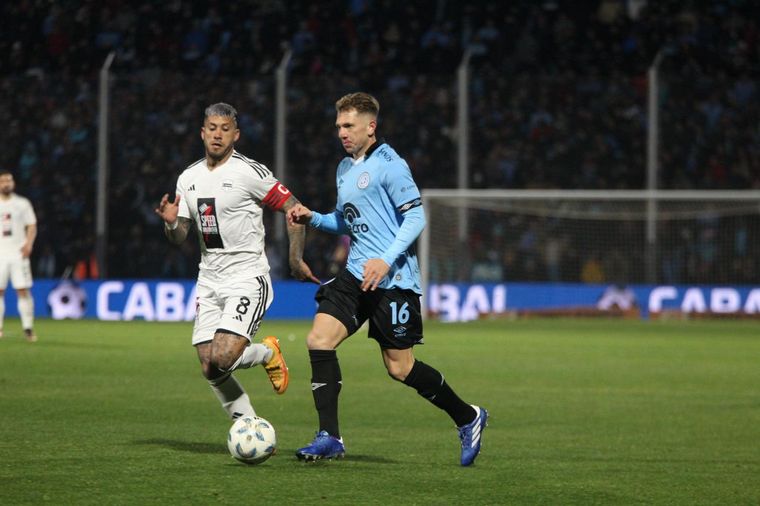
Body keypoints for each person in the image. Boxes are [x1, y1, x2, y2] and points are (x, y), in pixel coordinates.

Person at [287, 92, 488, 466]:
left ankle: (468, 416)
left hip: (393, 279)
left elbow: (416, 218)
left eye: (349, 126)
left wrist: (385, 259)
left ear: (370, 126)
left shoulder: (391, 165)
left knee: (400, 368)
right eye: (338, 127)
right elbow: (346, 221)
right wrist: (312, 217)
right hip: (355, 274)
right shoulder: (344, 168)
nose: (342, 133)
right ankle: (329, 436)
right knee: (319, 340)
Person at [155, 102, 319, 421]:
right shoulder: (188, 178)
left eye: (225, 129)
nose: (218, 135)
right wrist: (172, 223)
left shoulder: (249, 173)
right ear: (202, 133)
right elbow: (179, 238)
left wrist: (295, 258)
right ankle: (248, 426)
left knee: (224, 356)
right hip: (209, 281)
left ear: (236, 135)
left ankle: (267, 352)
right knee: (209, 366)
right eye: (212, 128)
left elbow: (295, 209)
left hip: (246, 279)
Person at [0, 170, 38, 342]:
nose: (7, 183)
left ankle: (28, 328)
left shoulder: (22, 203)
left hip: (18, 253)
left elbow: (31, 225)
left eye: (9, 180)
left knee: (22, 290)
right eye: (3, 181)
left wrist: (28, 244)